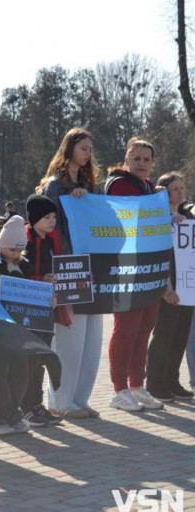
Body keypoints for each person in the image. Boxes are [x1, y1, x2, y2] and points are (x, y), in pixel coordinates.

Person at [39, 127, 103, 419]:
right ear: (70, 149)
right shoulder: (55, 185)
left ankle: (80, 398)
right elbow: (50, 227)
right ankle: (61, 401)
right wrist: (72, 203)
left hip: (95, 268)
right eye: (83, 148)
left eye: (91, 149)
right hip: (68, 267)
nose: (88, 153)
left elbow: (105, 219)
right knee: (69, 339)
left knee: (92, 338)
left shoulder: (93, 185)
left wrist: (88, 200)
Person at [103, 137, 164, 412]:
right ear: (127, 159)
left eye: (146, 159)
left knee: (144, 329)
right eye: (136, 158)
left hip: (149, 268)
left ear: (152, 163)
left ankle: (138, 385)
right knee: (126, 329)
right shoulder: (119, 184)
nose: (141, 163)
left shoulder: (149, 187)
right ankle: (119, 390)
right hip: (125, 267)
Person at [146, 172, 195, 401]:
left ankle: (173, 382)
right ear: (164, 193)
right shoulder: (157, 219)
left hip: (188, 286)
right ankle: (156, 385)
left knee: (180, 336)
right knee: (164, 335)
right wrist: (166, 288)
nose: (180, 192)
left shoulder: (189, 217)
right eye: (174, 189)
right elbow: (157, 254)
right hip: (168, 286)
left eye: (181, 188)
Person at [0, 215, 32, 436]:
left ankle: (14, 413)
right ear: (2, 245)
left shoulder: (25, 265)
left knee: (20, 372)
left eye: (20, 251)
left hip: (19, 329)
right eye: (12, 250)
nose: (16, 255)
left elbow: (33, 292)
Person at [20, 195, 63, 427]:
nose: (52, 221)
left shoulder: (49, 241)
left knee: (41, 359)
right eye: (47, 217)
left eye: (54, 217)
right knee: (30, 360)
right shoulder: (25, 241)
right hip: (29, 310)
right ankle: (26, 407)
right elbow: (20, 275)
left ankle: (36, 406)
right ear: (34, 218)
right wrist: (41, 279)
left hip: (48, 307)